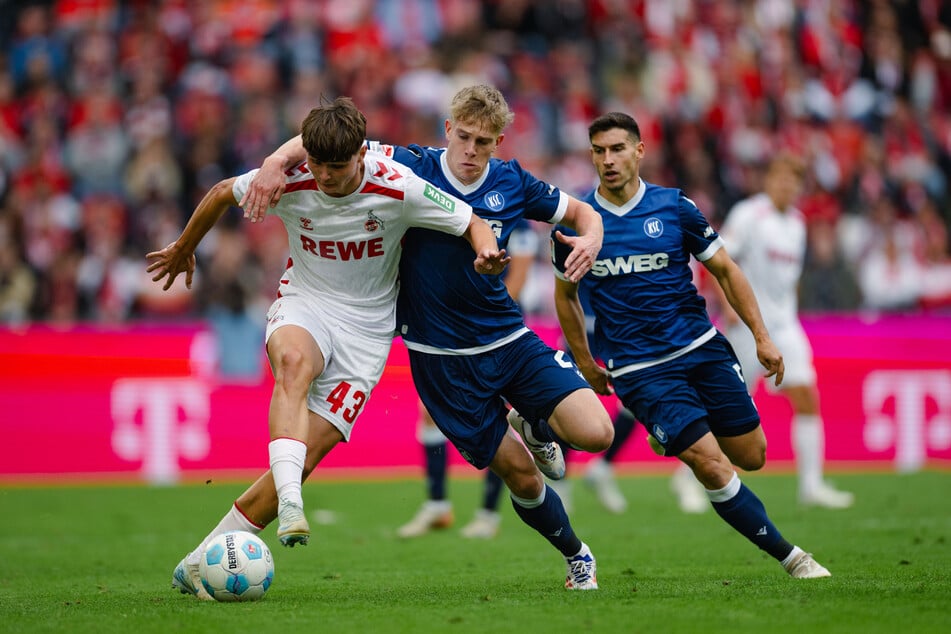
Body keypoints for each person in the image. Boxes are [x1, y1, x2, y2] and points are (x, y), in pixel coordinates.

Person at [179, 85, 614, 596]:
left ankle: (533, 421)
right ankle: (576, 554)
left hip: (505, 338)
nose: (472, 151)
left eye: (485, 142)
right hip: (438, 358)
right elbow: (324, 139)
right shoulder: (407, 166)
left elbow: (581, 214)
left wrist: (592, 237)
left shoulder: (512, 182)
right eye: (465, 137)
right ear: (448, 131)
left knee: (598, 434)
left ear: (499, 142)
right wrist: (276, 160)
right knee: (520, 476)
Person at [149, 97, 506, 598]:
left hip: (367, 333)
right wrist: (185, 247)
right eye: (316, 165)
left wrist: (486, 250)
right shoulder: (288, 180)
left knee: (308, 452)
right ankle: (293, 502)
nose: (325, 177)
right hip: (306, 301)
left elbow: (470, 219)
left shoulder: (397, 184)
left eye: (336, 168)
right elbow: (220, 193)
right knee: (293, 364)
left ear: (361, 155)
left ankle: (199, 560)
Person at [549, 111, 833, 579]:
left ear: (640, 151)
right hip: (640, 370)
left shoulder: (675, 207)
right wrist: (586, 361)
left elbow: (725, 269)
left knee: (751, 455)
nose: (608, 160)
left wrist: (762, 337)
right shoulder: (577, 222)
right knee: (709, 463)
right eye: (598, 151)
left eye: (618, 148)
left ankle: (681, 430)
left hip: (702, 349)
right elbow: (566, 296)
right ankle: (793, 557)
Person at [716, 153, 854, 509]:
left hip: (786, 325)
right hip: (748, 326)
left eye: (793, 181)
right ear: (769, 180)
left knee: (807, 396)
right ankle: (689, 477)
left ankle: (811, 485)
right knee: (730, 408)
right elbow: (720, 261)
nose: (786, 186)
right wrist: (728, 307)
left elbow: (789, 280)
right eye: (780, 178)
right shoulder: (748, 215)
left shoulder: (797, 222)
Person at [397, 219, 536, 539]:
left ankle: (488, 513)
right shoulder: (449, 210)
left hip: (496, 335)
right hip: (451, 330)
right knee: (429, 412)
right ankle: (437, 506)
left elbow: (520, 276)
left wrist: (485, 316)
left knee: (495, 419)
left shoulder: (517, 219)